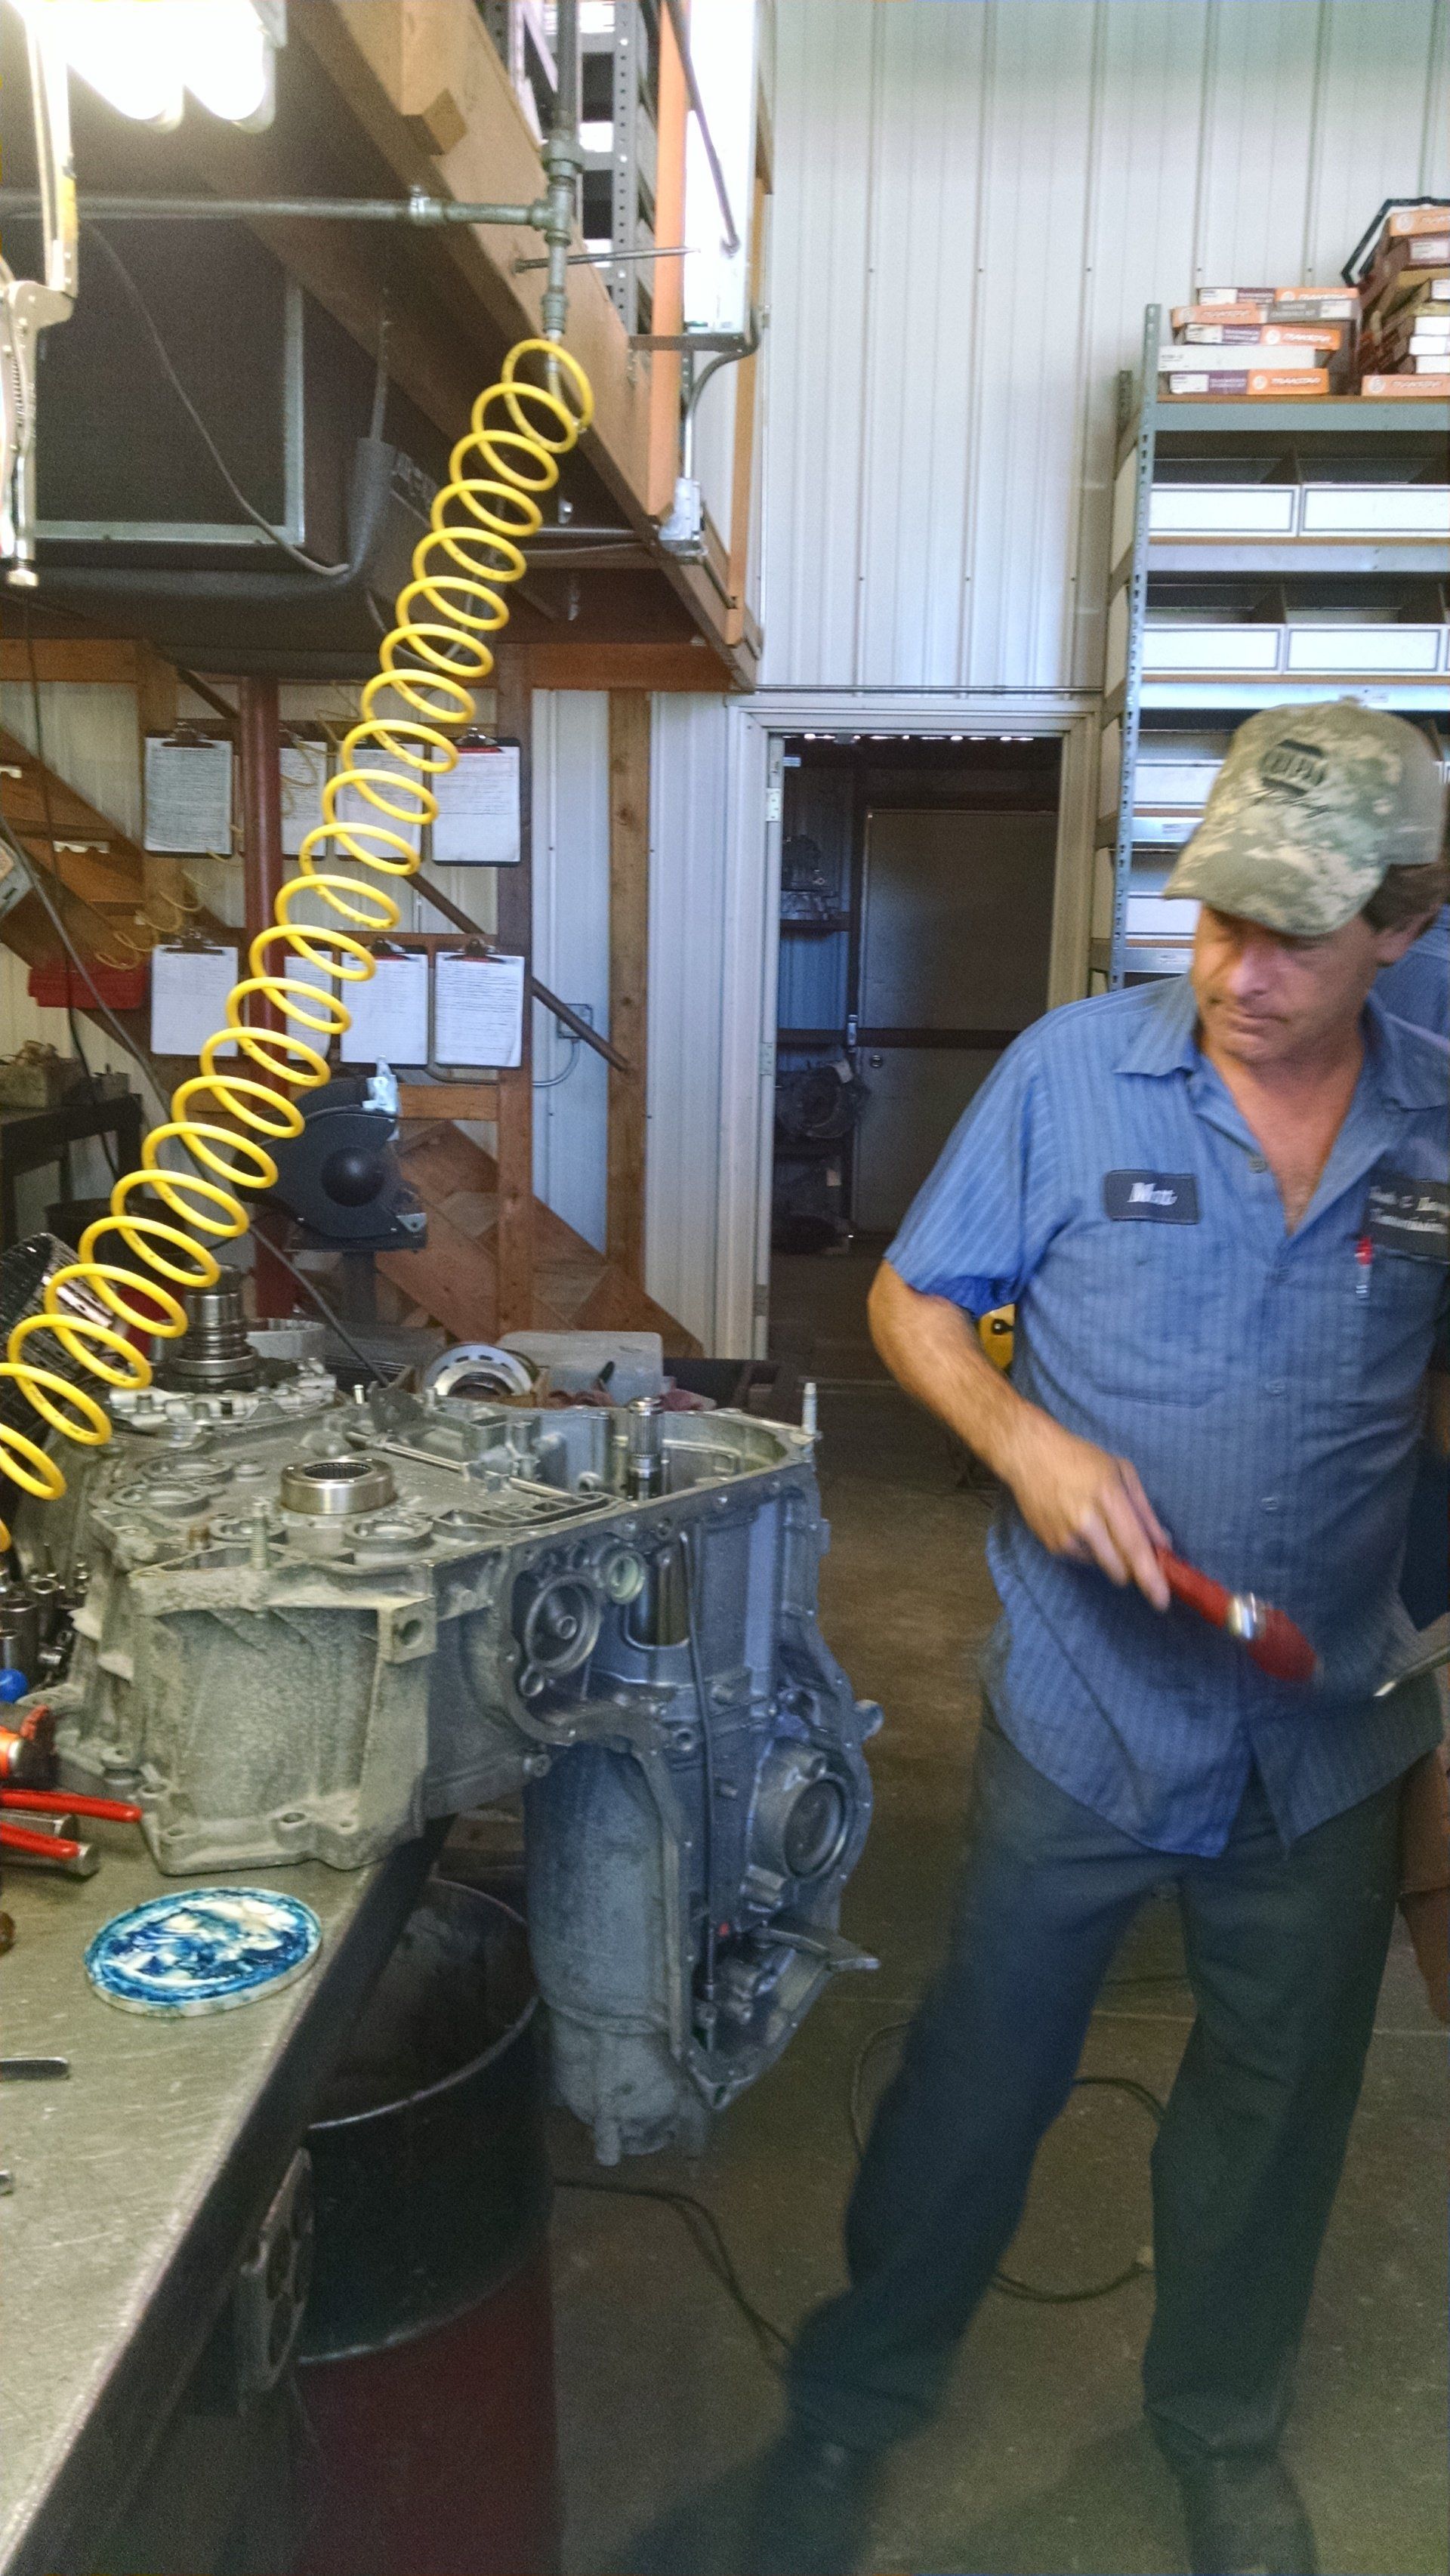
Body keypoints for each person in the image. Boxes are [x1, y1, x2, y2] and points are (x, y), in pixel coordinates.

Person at [747, 701, 1450, 2576]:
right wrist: (1020, 1434)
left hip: (1325, 1732)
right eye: (1217, 917)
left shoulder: (1441, 1112)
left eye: (1294, 933)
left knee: (1273, 2104)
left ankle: (1216, 2429)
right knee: (981, 2080)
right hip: (1088, 1715)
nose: (1237, 969)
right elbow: (909, 1298)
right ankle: (850, 2405)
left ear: (1404, 920)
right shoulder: (1071, 1076)